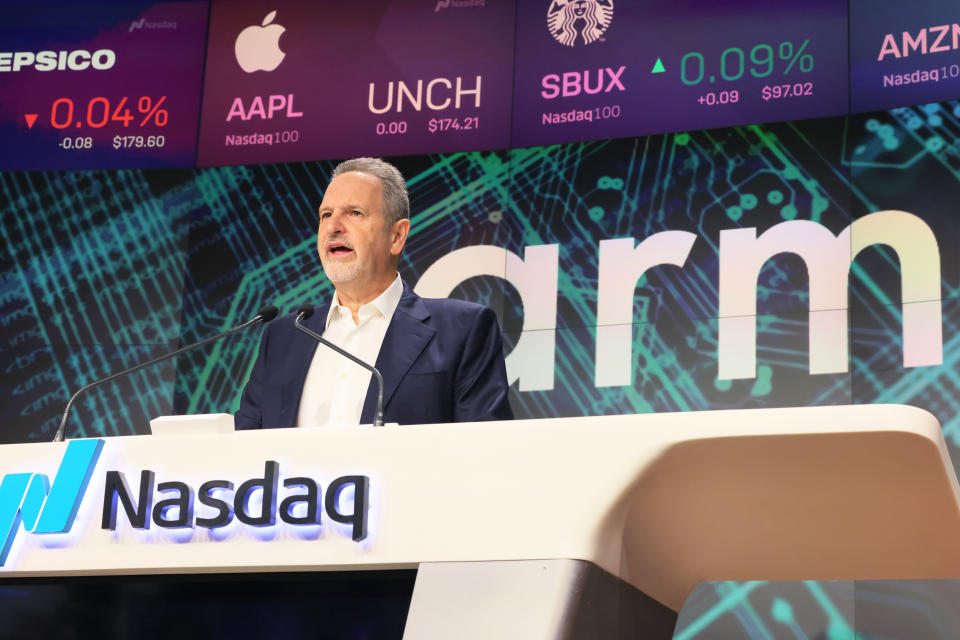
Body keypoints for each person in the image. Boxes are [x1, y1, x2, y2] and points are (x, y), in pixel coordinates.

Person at [235, 157, 513, 429]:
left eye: (355, 213)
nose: (334, 227)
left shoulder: (461, 330)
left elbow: (486, 451)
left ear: (396, 236)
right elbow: (243, 448)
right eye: (326, 215)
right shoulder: (284, 337)